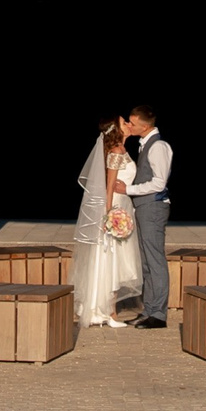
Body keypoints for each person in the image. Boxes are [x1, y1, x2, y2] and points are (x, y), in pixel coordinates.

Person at [69, 118, 142, 327]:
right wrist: (109, 213)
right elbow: (109, 185)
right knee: (111, 257)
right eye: (124, 122)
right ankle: (107, 312)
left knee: (116, 258)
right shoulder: (117, 151)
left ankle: (108, 309)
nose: (129, 123)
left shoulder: (122, 150)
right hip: (116, 206)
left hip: (124, 204)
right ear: (117, 130)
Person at [115, 105, 172, 328]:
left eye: (133, 123)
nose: (130, 125)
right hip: (144, 208)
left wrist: (127, 190)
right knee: (147, 261)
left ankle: (158, 314)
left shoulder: (158, 146)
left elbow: (159, 182)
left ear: (145, 126)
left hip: (153, 208)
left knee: (155, 260)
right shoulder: (145, 145)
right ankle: (149, 310)